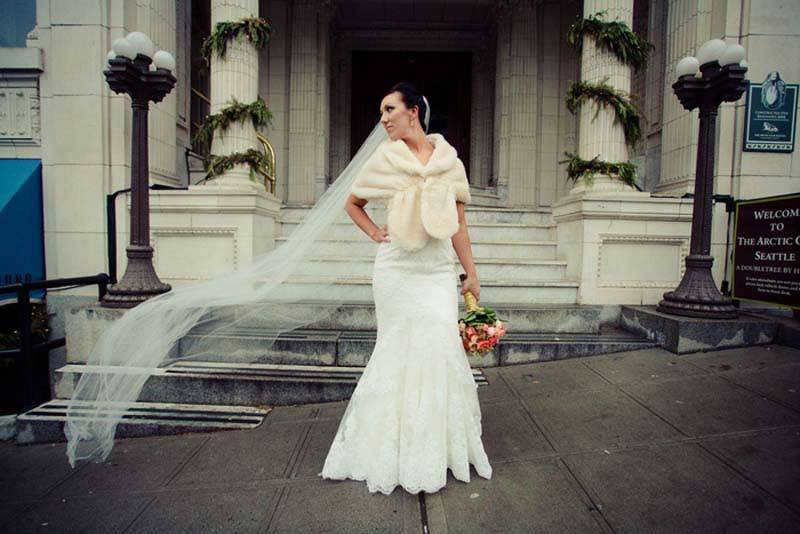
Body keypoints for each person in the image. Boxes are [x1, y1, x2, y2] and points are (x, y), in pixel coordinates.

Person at [319, 82, 493, 495]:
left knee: (439, 350)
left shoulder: (450, 163)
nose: (383, 118)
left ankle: (434, 450)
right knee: (396, 352)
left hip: (435, 272)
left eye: (390, 109)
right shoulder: (385, 159)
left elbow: (460, 225)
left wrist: (472, 273)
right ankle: (389, 450)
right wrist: (375, 233)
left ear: (413, 111)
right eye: (382, 111)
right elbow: (352, 202)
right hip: (396, 270)